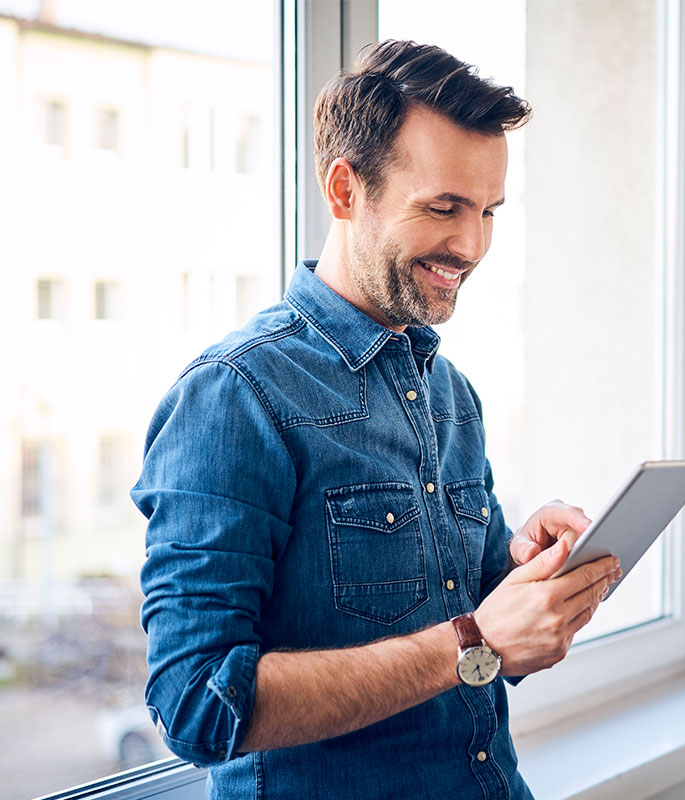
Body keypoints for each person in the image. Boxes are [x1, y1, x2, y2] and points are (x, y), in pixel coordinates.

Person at [132, 39, 621, 800]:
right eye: (443, 208)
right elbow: (197, 704)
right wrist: (474, 641)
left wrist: (526, 579)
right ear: (343, 189)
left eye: (488, 211)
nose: (472, 246)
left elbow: (477, 629)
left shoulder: (451, 391)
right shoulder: (236, 396)